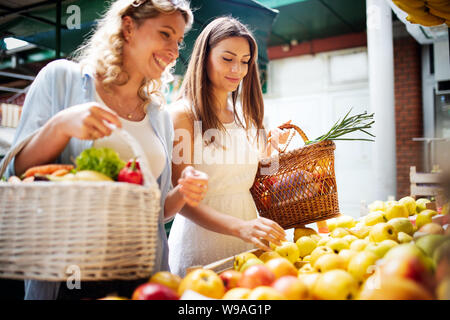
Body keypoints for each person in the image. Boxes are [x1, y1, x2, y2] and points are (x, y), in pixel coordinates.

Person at [3, 0, 208, 299]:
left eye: (178, 40)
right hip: (70, 277)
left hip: (141, 277)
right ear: (128, 27)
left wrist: (183, 192)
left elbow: (156, 212)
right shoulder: (62, 79)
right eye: (165, 34)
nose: (175, 50)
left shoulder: (159, 116)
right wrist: (60, 126)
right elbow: (16, 173)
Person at [167, 16, 291, 277]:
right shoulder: (183, 115)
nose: (237, 69)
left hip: (248, 236)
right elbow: (184, 201)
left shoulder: (245, 115)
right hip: (201, 244)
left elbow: (260, 179)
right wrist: (239, 227)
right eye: (227, 58)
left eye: (245, 61)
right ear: (205, 56)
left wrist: (272, 150)